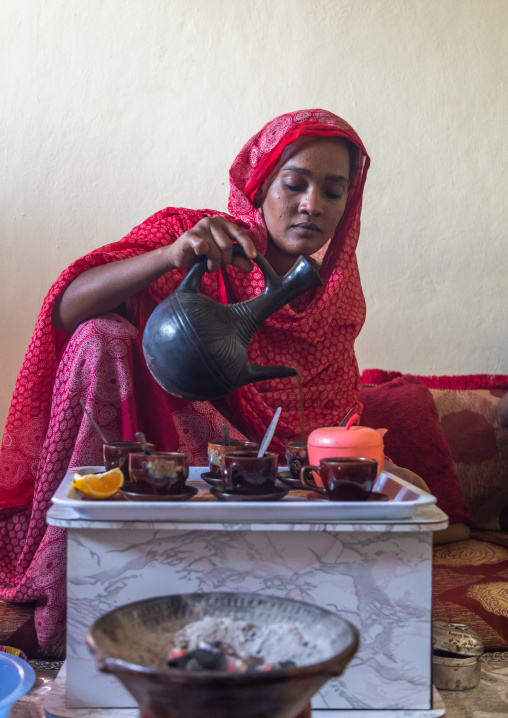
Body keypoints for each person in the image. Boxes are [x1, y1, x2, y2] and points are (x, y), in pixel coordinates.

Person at [0, 109, 370, 649]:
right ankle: (68, 580)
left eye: (334, 193)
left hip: (241, 467)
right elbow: (66, 311)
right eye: (294, 184)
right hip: (139, 452)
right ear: (261, 185)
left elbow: (319, 427)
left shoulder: (335, 299)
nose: (312, 205)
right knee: (101, 335)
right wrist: (170, 256)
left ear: (348, 206)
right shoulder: (192, 237)